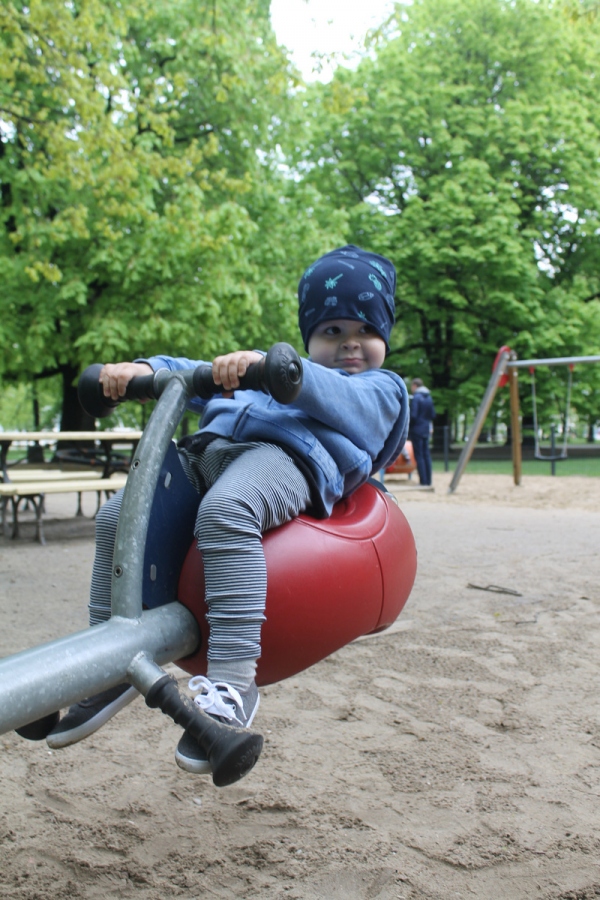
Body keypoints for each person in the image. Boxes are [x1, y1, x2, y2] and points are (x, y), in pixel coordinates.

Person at [36, 245, 409, 776]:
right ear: (309, 336)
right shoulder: (269, 372)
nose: (349, 344)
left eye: (364, 332)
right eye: (331, 332)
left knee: (226, 512)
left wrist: (283, 370)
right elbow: (194, 374)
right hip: (207, 452)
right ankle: (106, 664)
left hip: (289, 462)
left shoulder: (380, 389)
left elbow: (336, 397)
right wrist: (140, 371)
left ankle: (233, 683)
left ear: (384, 339)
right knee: (117, 517)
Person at [408, 378, 436, 486]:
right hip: (426, 429)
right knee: (426, 455)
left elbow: (413, 415)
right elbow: (432, 415)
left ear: (415, 386)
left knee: (419, 455)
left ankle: (423, 481)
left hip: (417, 430)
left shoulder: (416, 397)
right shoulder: (429, 397)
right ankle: (429, 480)